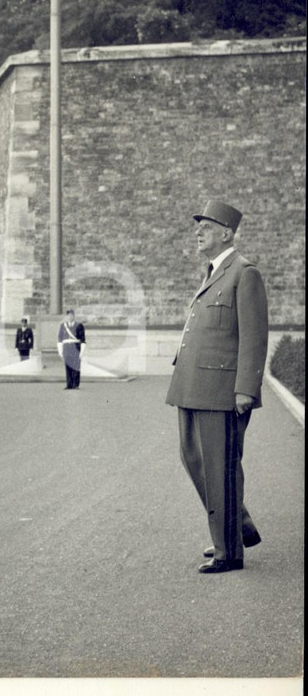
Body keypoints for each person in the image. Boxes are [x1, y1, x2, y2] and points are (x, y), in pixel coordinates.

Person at [166, 201, 268, 574]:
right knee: (195, 460)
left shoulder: (244, 273)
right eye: (198, 227)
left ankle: (229, 552)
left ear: (226, 233)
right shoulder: (214, 272)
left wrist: (246, 389)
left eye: (206, 227)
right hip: (193, 385)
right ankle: (235, 527)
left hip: (222, 391)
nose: (198, 232)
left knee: (220, 467)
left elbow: (254, 338)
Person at [56, 310, 86, 389]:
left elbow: (82, 340)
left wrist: (81, 352)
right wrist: (60, 350)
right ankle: (69, 384)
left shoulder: (79, 326)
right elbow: (60, 338)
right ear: (66, 317)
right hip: (67, 348)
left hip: (76, 348)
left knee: (76, 366)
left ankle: (75, 384)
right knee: (68, 367)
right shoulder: (63, 326)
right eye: (68, 316)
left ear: (74, 316)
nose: (70, 317)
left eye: (71, 315)